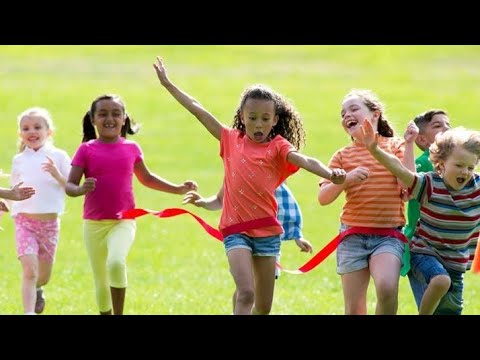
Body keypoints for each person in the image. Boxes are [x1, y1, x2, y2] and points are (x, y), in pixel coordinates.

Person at [154, 56, 345, 315]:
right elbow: (197, 109)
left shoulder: (278, 146)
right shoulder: (231, 140)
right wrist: (168, 84)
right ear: (242, 117)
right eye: (252, 118)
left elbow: (303, 159)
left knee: (263, 308)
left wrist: (329, 173)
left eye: (265, 118)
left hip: (267, 232)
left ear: (274, 120)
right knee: (245, 293)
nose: (258, 124)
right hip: (235, 231)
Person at [65, 94, 198, 315]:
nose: (110, 119)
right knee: (101, 282)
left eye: (116, 114)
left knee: (116, 262)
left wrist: (178, 188)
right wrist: (80, 190)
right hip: (93, 225)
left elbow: (147, 178)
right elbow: (70, 185)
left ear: (124, 118)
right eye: (103, 114)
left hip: (124, 221)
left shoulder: (132, 148)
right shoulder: (86, 150)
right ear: (92, 119)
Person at [360, 121, 480, 315]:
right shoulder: (430, 183)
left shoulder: (477, 188)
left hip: (456, 263)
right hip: (425, 253)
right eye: (458, 165)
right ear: (441, 164)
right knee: (441, 280)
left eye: (470, 167)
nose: (465, 172)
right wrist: (375, 151)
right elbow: (400, 171)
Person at [318, 89, 416, 315]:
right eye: (343, 113)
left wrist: (409, 145)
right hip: (352, 236)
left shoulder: (395, 146)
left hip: (388, 236)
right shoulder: (343, 155)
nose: (346, 116)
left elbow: (409, 187)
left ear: (375, 114)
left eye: (353, 109)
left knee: (387, 287)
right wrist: (346, 180)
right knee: (354, 308)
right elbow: (324, 198)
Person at [183, 181, 313, 312]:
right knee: (245, 289)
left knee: (262, 305)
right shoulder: (235, 169)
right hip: (239, 237)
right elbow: (219, 199)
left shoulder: (271, 177)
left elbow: (287, 209)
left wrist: (297, 236)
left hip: (266, 240)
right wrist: (203, 202)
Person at [8, 107, 70, 315]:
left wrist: (56, 174)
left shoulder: (59, 156)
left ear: (49, 132)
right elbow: (13, 191)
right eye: (25, 128)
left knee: (43, 276)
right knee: (30, 270)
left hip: (50, 224)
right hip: (24, 222)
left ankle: (38, 289)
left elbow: (71, 186)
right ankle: (28, 312)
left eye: (37, 127)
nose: (31, 131)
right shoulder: (19, 160)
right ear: (20, 134)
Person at [401, 110, 451, 311]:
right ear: (422, 139)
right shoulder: (423, 162)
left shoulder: (459, 164)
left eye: (448, 124)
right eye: (438, 126)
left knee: (448, 307)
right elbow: (409, 180)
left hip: (449, 244)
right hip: (421, 244)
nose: (446, 128)